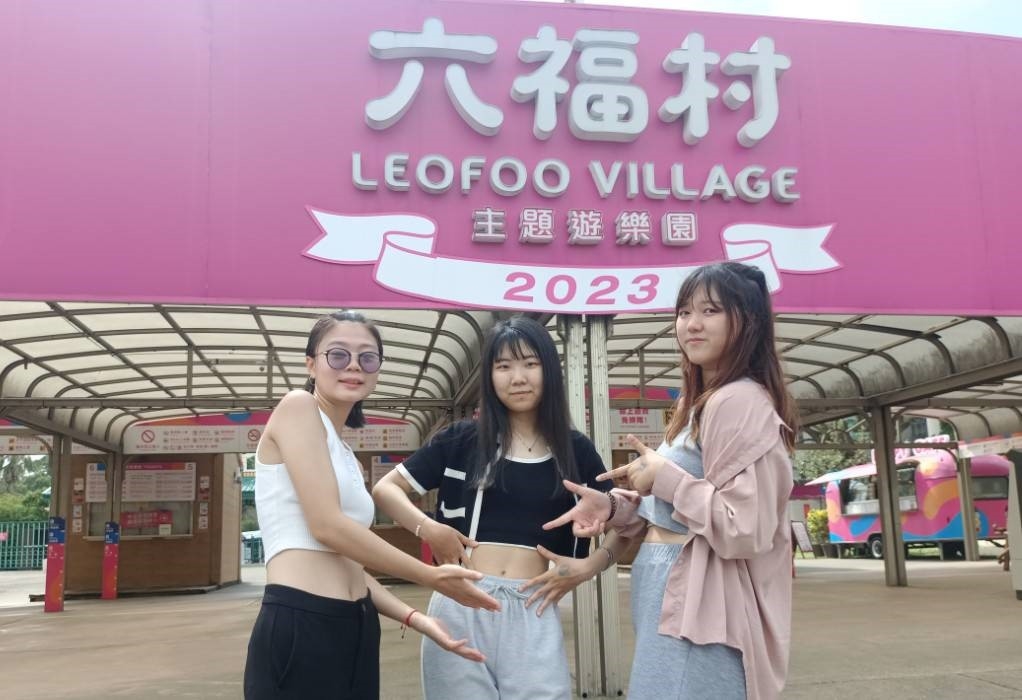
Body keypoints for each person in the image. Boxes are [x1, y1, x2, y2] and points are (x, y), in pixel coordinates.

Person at [545, 262, 798, 700]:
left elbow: (745, 529)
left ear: (749, 321)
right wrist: (614, 508)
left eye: (711, 310)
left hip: (705, 606)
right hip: (673, 592)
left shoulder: (738, 400)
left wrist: (665, 478)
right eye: (684, 312)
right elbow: (674, 512)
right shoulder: (701, 402)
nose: (691, 324)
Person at [243, 311, 500, 700]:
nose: (353, 366)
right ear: (311, 364)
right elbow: (327, 527)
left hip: (357, 623)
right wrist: (429, 575)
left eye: (367, 357)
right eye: (338, 355)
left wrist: (416, 618)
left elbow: (347, 566)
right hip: (302, 621)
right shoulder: (298, 406)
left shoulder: (344, 451)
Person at [372, 315, 627, 700]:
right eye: (503, 366)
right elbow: (386, 489)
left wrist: (591, 566)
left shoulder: (575, 450)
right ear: (489, 377)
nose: (517, 378)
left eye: (530, 364)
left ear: (549, 371)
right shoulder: (461, 440)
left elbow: (628, 524)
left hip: (533, 604)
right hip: (461, 600)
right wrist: (430, 529)